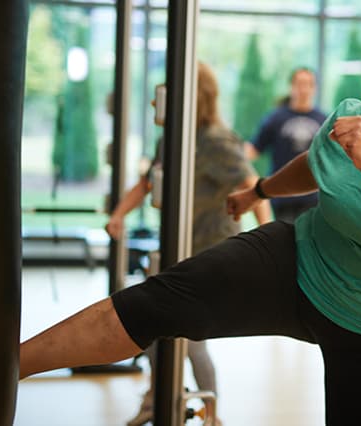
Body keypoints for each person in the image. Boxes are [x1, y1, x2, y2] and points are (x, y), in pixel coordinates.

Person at [20, 8, 361, 425]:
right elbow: (316, 163)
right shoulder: (353, 119)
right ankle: (6, 367)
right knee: (155, 300)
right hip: (300, 264)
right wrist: (259, 190)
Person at [104, 61, 271, 426]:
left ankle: (208, 413)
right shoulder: (173, 138)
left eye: (165, 92)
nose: (156, 101)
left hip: (212, 257)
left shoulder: (216, 140)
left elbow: (253, 186)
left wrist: (267, 242)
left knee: (188, 340)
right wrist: (118, 214)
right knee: (158, 334)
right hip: (181, 253)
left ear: (190, 95)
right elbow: (148, 182)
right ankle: (160, 398)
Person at [245, 67, 327, 223]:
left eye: (308, 84)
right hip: (282, 196)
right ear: (291, 86)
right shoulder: (275, 118)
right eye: (299, 84)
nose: (303, 89)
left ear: (314, 88)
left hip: (313, 196)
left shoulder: (323, 120)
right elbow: (254, 149)